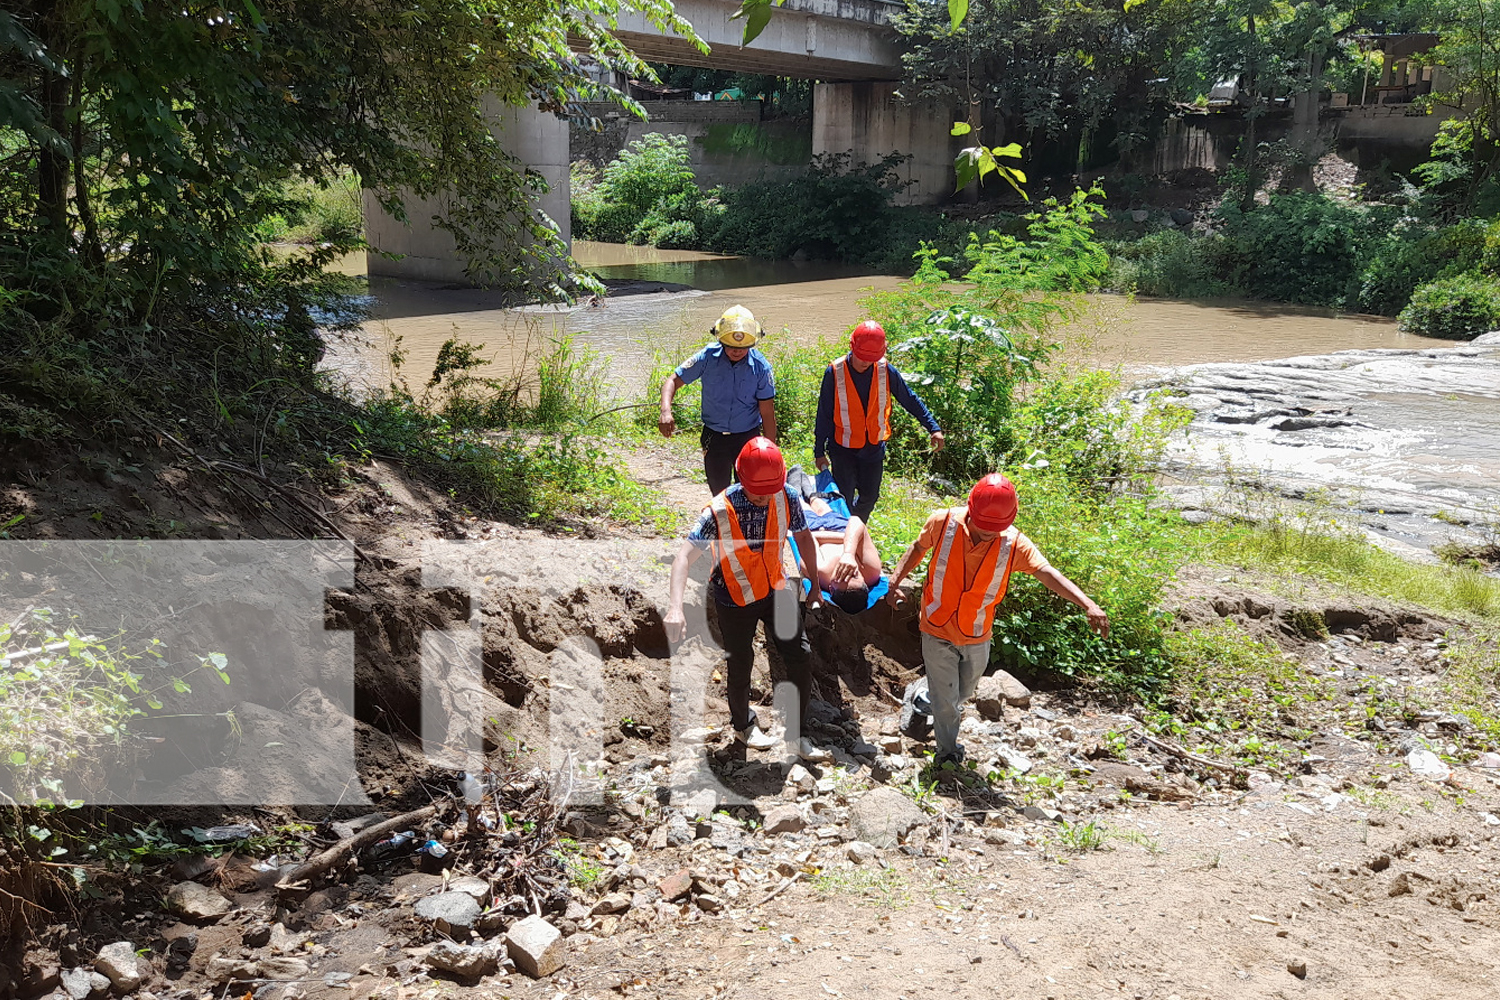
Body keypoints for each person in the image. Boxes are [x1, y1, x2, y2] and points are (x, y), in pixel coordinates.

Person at [884, 474, 1109, 767]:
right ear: (970, 509)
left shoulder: (1013, 543)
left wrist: (1088, 604)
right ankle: (948, 755)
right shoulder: (942, 523)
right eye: (984, 526)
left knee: (962, 692)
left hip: (977, 631)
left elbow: (1047, 572)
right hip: (936, 625)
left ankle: (922, 695)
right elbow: (917, 547)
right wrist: (894, 582)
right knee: (948, 704)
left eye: (996, 528)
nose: (990, 533)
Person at [663, 437, 829, 761]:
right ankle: (743, 726)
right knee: (740, 664)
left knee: (800, 655)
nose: (766, 498)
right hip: (734, 595)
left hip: (776, 587)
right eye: (758, 492)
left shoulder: (786, 495)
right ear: (741, 478)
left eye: (771, 491)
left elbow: (804, 537)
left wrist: (816, 584)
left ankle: (796, 732)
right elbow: (683, 557)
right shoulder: (718, 510)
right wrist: (674, 608)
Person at [814, 320, 944, 521]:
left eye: (871, 358)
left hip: (873, 447)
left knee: (870, 497)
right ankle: (846, 534)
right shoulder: (835, 372)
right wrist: (819, 451)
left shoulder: (885, 370)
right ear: (852, 347)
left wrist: (932, 427)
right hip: (843, 448)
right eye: (862, 357)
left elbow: (909, 398)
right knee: (844, 498)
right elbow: (824, 413)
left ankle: (857, 527)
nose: (865, 362)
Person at [659, 305, 778, 496]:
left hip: (748, 438)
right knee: (719, 494)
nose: (736, 351)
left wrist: (771, 450)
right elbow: (672, 381)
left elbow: (767, 412)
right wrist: (666, 411)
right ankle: (723, 525)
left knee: (750, 492)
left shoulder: (761, 368)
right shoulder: (707, 357)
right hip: (714, 437)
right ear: (721, 340)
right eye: (730, 346)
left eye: (742, 347)